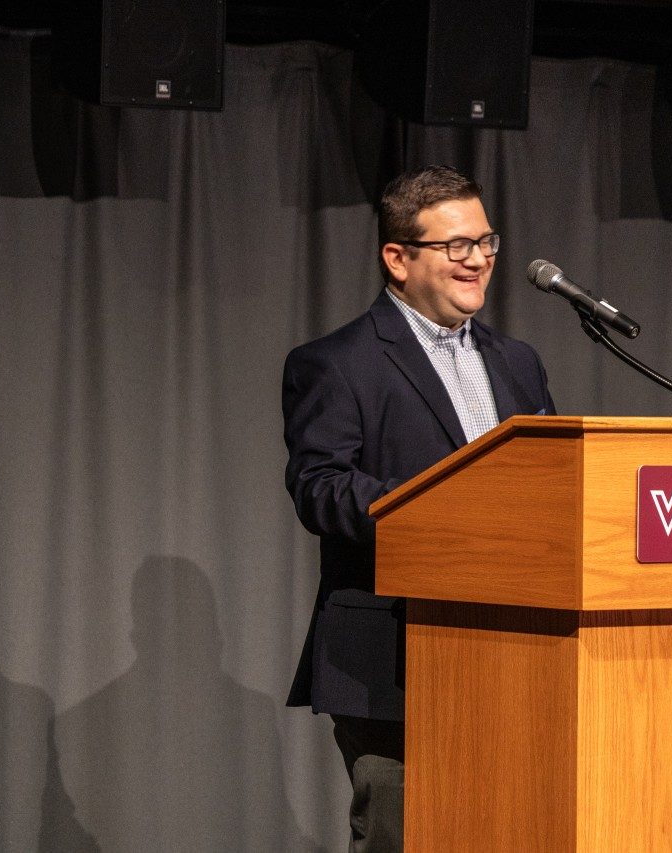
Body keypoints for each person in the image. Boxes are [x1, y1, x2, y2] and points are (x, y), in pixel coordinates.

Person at [281, 165, 554, 851]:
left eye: (486, 240)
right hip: (394, 655)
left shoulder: (517, 360)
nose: (479, 260)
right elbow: (320, 485)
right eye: (455, 245)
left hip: (512, 650)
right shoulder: (337, 361)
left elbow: (547, 482)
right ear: (398, 258)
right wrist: (442, 508)